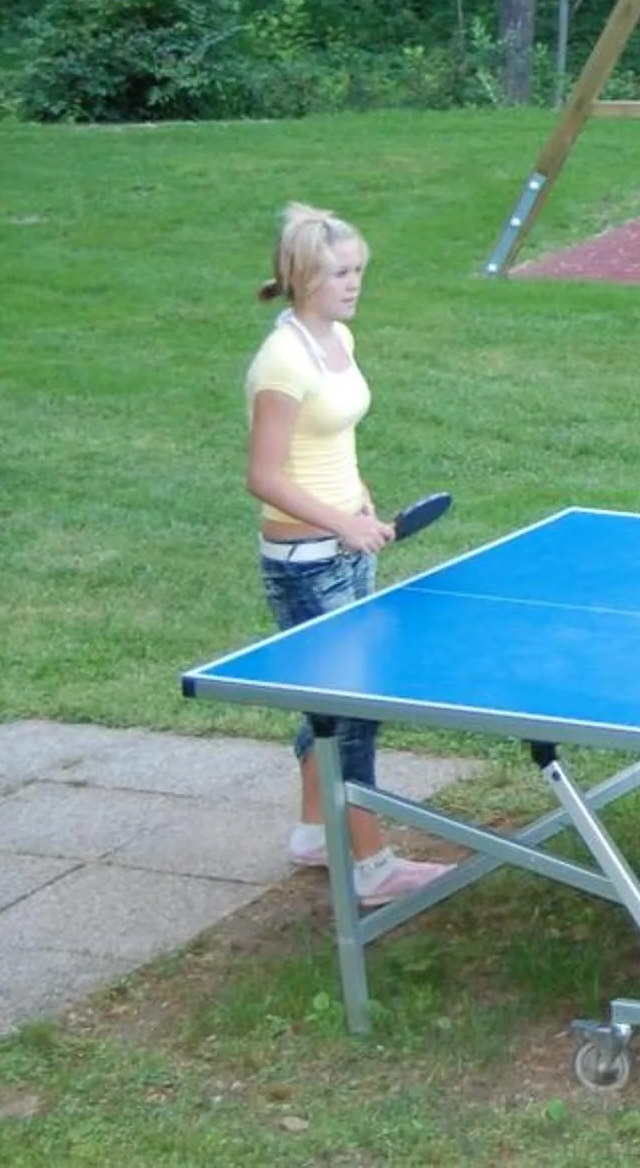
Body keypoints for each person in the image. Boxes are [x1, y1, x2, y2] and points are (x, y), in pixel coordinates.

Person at [244, 202, 448, 906]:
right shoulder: (281, 362)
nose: (354, 283)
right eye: (340, 273)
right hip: (306, 566)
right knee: (351, 711)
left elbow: (330, 438)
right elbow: (264, 476)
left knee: (331, 703)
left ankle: (312, 834)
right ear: (304, 278)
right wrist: (339, 523)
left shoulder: (339, 338)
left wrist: (358, 499)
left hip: (347, 542)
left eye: (359, 270)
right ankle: (373, 868)